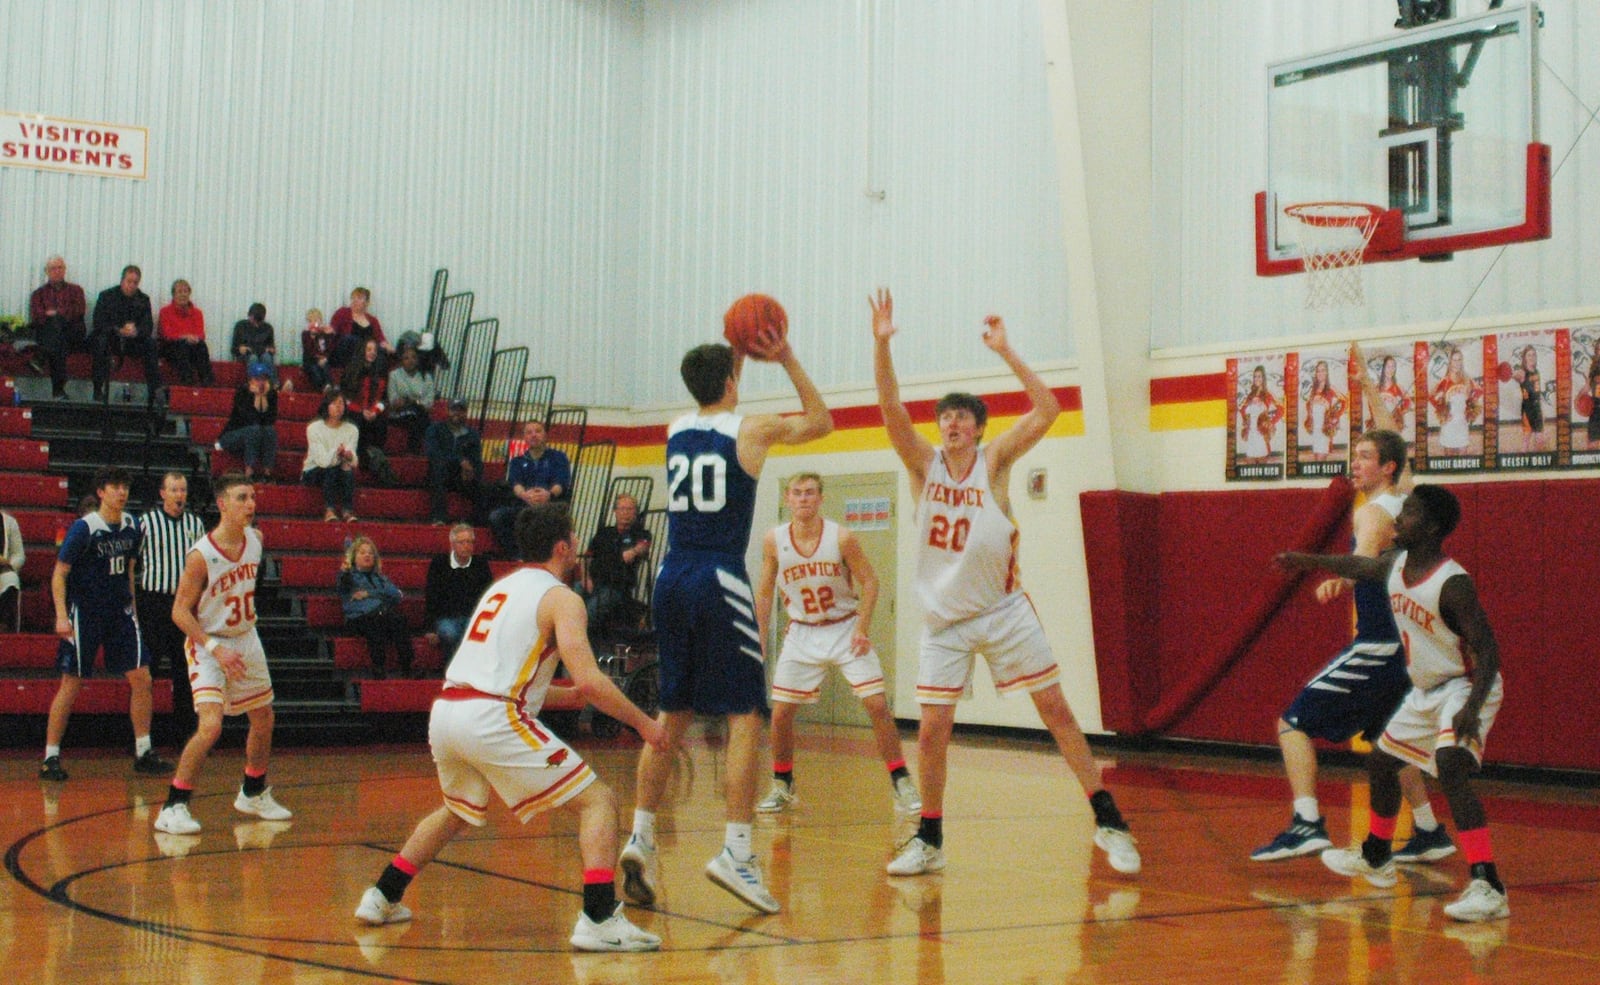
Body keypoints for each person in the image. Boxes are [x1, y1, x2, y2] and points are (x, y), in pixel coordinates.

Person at [868, 288, 1139, 877]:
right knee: (934, 729)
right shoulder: (924, 464)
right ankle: (930, 838)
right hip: (944, 620)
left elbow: (1048, 410)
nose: (952, 423)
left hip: (1002, 609)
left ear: (980, 428)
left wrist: (1007, 350)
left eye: (963, 416)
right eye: (946, 416)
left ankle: (1110, 820)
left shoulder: (996, 462)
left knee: (1056, 710)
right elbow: (889, 408)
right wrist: (881, 344)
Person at [353, 504, 670, 951]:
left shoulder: (502, 589)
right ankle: (598, 917)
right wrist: (645, 724)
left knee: (456, 811)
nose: (578, 544)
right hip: (490, 717)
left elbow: (513, 677)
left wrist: (570, 694)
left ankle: (382, 894)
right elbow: (590, 679)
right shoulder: (563, 598)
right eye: (575, 537)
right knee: (598, 801)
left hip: (449, 710)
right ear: (564, 546)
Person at [619, 324, 832, 917]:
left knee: (674, 710)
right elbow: (821, 420)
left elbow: (714, 391)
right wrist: (785, 355)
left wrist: (732, 352)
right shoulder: (753, 429)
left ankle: (640, 837)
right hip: (718, 576)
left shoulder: (674, 429)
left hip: (671, 576)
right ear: (733, 380)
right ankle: (738, 851)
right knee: (744, 714)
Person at [1276, 485, 1509, 923]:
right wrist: (1308, 561)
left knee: (1450, 766)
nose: (1399, 519)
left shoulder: (1452, 582)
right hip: (1427, 689)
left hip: (1466, 685)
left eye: (1411, 513)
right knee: (1383, 762)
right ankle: (1377, 855)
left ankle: (1488, 884)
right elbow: (1358, 565)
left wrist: (1471, 709)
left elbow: (1489, 650)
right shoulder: (1395, 563)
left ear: (1433, 527)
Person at [1250, 428, 1453, 864]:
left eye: (1364, 457)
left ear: (1387, 468)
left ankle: (1306, 824)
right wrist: (1366, 382)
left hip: (1379, 645)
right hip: (1407, 650)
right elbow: (1399, 441)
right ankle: (1429, 830)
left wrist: (1339, 576)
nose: (1354, 464)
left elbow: (1363, 558)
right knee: (1391, 743)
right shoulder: (1404, 500)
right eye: (1353, 456)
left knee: (1292, 723)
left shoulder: (1374, 513)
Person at [752, 472, 920, 816]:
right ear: (787, 499)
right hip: (801, 631)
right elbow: (765, 593)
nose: (803, 499)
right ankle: (783, 784)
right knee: (781, 712)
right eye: (797, 493)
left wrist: (862, 627)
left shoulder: (841, 537)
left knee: (876, 705)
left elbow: (870, 582)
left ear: (821, 498)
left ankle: (901, 780)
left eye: (810, 493)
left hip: (844, 629)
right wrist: (759, 640)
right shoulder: (774, 540)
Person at [153, 472, 292, 835]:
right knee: (211, 725)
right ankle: (173, 805)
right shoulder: (201, 555)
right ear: (222, 504)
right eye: (242, 498)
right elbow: (179, 612)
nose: (251, 504)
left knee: (263, 718)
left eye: (253, 498)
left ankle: (253, 791)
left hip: (246, 637)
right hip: (207, 641)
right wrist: (214, 648)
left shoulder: (256, 541)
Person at [40, 466, 174, 781]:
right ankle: (50, 757)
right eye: (115, 486)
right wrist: (61, 614)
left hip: (120, 611)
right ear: (101, 492)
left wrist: (133, 608)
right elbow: (60, 573)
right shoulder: (84, 528)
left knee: (142, 677)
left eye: (125, 486)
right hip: (85, 611)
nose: (121, 492)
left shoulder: (132, 526)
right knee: (71, 682)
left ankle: (143, 751)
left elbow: (128, 568)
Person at [136, 472, 207, 741]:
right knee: (148, 673)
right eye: (174, 490)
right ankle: (144, 738)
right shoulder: (146, 522)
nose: (179, 495)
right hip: (154, 602)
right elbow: (135, 562)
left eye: (183, 490)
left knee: (185, 671)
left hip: (184, 603)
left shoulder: (195, 524)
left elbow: (202, 567)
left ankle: (186, 735)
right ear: (162, 493)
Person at [489, 420, 571, 559]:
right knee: (497, 516)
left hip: (550, 506)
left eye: (538, 431)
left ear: (545, 435)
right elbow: (515, 484)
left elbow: (561, 483)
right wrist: (525, 495)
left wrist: (548, 495)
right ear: (524, 438)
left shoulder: (559, 457)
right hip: (525, 506)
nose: (534, 435)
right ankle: (517, 556)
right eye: (529, 432)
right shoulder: (517, 461)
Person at [339, 536, 415, 678]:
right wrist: (381, 596)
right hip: (359, 618)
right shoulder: (349, 576)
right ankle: (378, 668)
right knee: (375, 622)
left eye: (370, 553)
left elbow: (397, 595)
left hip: (381, 614)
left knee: (399, 620)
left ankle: (407, 667)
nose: (367, 555)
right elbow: (344, 584)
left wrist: (370, 593)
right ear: (354, 557)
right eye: (362, 553)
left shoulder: (380, 578)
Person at [581, 493, 652, 639]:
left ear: (636, 512)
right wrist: (586, 578)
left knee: (590, 612)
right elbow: (586, 558)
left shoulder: (640, 533)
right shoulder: (604, 532)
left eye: (630, 509)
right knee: (570, 601)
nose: (625, 513)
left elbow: (644, 545)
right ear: (615, 511)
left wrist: (633, 551)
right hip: (592, 582)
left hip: (616, 587)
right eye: (622, 508)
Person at [91, 265, 161, 405]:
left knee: (151, 344)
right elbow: (98, 322)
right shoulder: (106, 296)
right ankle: (98, 388)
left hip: (133, 341)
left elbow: (148, 326)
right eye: (129, 281)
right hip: (111, 338)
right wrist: (118, 330)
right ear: (122, 280)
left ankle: (154, 391)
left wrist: (136, 331)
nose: (132, 285)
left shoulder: (143, 299)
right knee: (100, 341)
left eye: (135, 282)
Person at [424, 524, 495, 662]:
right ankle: (453, 670)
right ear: (453, 544)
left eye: (469, 542)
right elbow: (431, 596)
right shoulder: (439, 563)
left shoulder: (481, 564)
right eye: (461, 542)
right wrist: (429, 628)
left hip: (473, 617)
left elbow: (488, 595)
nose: (466, 546)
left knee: (475, 634)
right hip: (446, 617)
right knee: (450, 633)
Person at [28, 255, 87, 400]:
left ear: (65, 270)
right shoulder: (38, 294)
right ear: (47, 272)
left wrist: (57, 314)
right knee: (57, 338)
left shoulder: (76, 290)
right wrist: (57, 316)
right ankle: (58, 390)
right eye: (53, 268)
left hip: (72, 331)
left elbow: (79, 311)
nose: (57, 271)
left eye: (60, 267)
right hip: (53, 335)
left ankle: (41, 357)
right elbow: (37, 316)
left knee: (57, 326)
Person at [342, 339, 395, 483]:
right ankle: (365, 457)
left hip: (371, 412)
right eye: (369, 349)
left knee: (381, 421)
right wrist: (361, 411)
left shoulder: (380, 372)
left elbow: (384, 399)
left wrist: (374, 411)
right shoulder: (352, 370)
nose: (372, 353)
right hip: (353, 410)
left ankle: (374, 454)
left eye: (375, 350)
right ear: (362, 351)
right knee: (358, 421)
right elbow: (345, 398)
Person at [302, 391, 360, 522]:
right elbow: (321, 460)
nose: (339, 407)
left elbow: (353, 457)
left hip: (339, 468)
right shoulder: (314, 428)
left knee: (347, 468)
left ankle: (347, 511)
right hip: (314, 470)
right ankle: (329, 509)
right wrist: (336, 453)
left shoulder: (352, 429)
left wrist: (349, 456)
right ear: (326, 406)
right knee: (331, 468)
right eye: (334, 403)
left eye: (341, 403)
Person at [424, 399, 482, 526]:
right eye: (453, 409)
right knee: (439, 468)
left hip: (461, 476)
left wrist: (471, 470)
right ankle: (439, 517)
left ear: (466, 413)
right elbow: (432, 452)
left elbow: (476, 459)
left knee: (483, 483)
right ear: (448, 411)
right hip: (438, 473)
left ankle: (475, 521)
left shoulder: (473, 435)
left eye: (461, 410)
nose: (457, 413)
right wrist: (459, 461)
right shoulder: (435, 429)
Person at [217, 364, 279, 481]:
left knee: (270, 431)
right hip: (233, 435)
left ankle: (267, 473)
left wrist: (263, 397)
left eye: (264, 378)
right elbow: (247, 419)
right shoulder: (242, 392)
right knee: (253, 429)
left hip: (256, 436)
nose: (261, 382)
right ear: (250, 379)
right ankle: (249, 471)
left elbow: (270, 421)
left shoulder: (271, 394)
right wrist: (256, 397)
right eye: (257, 378)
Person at [157, 279, 215, 386]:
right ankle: (188, 382)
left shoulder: (197, 313)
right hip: (171, 348)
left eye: (185, 291)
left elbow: (201, 334)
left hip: (191, 347)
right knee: (181, 346)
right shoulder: (165, 312)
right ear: (173, 295)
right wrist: (184, 337)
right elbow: (166, 334)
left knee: (201, 346)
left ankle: (207, 381)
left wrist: (194, 338)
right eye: (179, 292)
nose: (183, 295)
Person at [386, 345, 438, 452]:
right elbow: (393, 400)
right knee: (416, 415)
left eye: (414, 357)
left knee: (417, 413)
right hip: (399, 413)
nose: (411, 361)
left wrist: (413, 401)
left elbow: (429, 403)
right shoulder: (394, 375)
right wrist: (416, 402)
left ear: (418, 359)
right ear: (401, 361)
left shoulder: (427, 377)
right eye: (406, 358)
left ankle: (413, 451)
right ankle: (415, 450)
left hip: (419, 412)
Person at [1430, 345, 1479, 453]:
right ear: (1450, 362)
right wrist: (1442, 413)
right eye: (1454, 360)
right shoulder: (1444, 381)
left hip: (1462, 423)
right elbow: (1431, 396)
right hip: (1449, 424)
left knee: (1463, 455)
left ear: (1462, 361)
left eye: (1459, 360)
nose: (1456, 363)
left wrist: (1470, 410)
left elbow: (1479, 392)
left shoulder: (1467, 379)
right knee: (1449, 456)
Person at [330, 287, 389, 364]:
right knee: (349, 339)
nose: (355, 300)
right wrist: (329, 331)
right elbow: (332, 331)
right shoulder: (343, 312)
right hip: (345, 354)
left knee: (381, 350)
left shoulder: (373, 320)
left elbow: (381, 339)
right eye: (353, 298)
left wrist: (388, 347)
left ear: (367, 302)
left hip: (365, 356)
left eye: (359, 298)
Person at [1301, 360, 1345, 461]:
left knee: (1321, 458)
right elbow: (1309, 404)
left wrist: (1335, 417)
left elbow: (1344, 402)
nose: (1320, 373)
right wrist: (1309, 416)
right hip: (1315, 429)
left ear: (1327, 372)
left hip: (1324, 429)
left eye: (1323, 370)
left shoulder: (1331, 388)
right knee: (1317, 457)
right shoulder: (1314, 389)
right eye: (1318, 371)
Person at [1238, 364, 1282, 463]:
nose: (1257, 379)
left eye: (1259, 376)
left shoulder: (1267, 395)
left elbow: (1281, 409)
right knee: (1251, 467)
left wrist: (1270, 422)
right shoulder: (1250, 395)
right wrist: (1246, 421)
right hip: (1251, 437)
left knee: (1262, 466)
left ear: (1263, 378)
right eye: (1255, 376)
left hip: (1261, 436)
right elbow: (1242, 410)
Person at [230, 303, 278, 383]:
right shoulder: (240, 326)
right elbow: (233, 349)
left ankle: (274, 385)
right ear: (249, 315)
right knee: (253, 358)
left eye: (258, 322)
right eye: (253, 320)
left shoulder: (268, 328)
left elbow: (271, 348)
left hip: (263, 354)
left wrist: (271, 350)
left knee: (267, 357)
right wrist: (239, 349)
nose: (255, 324)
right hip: (246, 356)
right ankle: (253, 385)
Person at [1512, 346, 1545, 452]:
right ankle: (1524, 458)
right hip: (1527, 409)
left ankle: (1535, 462)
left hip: (1537, 408)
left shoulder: (1537, 371)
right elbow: (1514, 375)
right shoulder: (1522, 372)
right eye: (1529, 355)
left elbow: (1537, 392)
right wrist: (1510, 374)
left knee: (1539, 440)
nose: (1532, 357)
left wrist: (1542, 409)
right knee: (1527, 438)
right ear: (1525, 358)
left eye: (1533, 354)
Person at [301, 308, 337, 391]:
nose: (313, 323)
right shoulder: (305, 334)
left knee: (325, 367)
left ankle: (328, 384)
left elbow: (330, 348)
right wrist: (312, 337)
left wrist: (331, 335)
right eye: (310, 321)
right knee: (315, 370)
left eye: (316, 321)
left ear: (320, 321)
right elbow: (308, 350)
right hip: (310, 361)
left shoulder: (324, 334)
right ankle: (322, 388)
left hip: (323, 359)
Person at [0, 507, 23, 632]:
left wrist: (7, 563)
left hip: (2, 571)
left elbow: (19, 555)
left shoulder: (9, 522)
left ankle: (4, 626)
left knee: (12, 579)